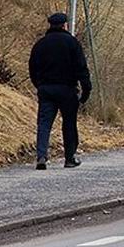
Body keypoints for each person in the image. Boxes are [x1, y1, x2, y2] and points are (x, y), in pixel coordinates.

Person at [28, 12, 92, 170]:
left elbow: (32, 68)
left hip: (46, 89)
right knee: (69, 123)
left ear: (50, 25)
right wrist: (85, 92)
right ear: (65, 25)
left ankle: (41, 156)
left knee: (44, 123)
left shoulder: (40, 44)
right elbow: (81, 68)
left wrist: (40, 85)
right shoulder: (72, 43)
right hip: (67, 90)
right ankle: (69, 158)